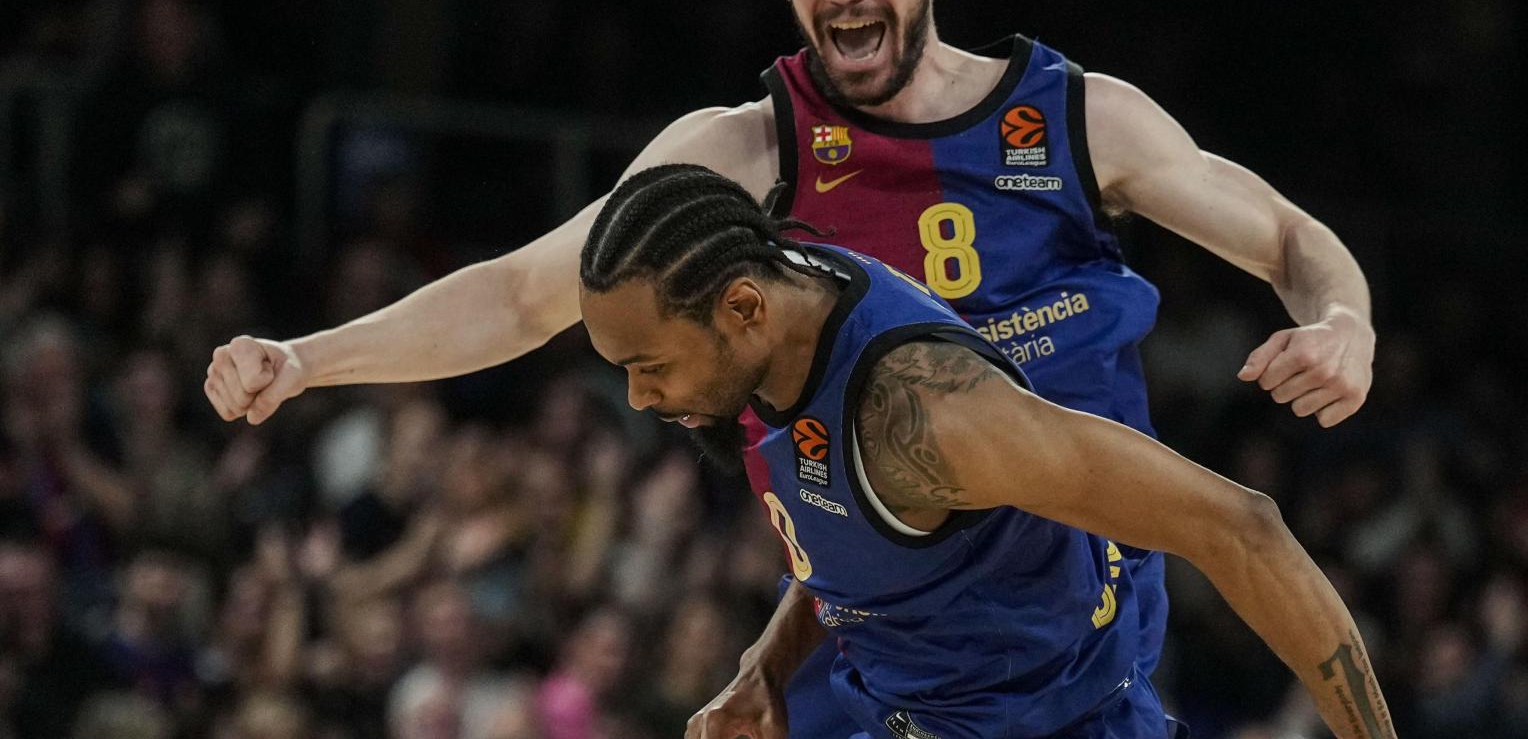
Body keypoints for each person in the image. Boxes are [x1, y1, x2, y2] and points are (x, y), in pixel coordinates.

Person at [205, 0, 1375, 736]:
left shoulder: (1072, 119)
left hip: (1059, 614)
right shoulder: (743, 151)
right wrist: (308, 359)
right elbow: (519, 294)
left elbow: (1279, 235)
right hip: (872, 607)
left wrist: (1338, 321)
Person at [574, 163, 1393, 739]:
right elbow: (849, 538)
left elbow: (1242, 527)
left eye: (649, 367)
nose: (640, 398)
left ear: (744, 307)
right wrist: (764, 666)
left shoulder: (933, 415)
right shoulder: (773, 303)